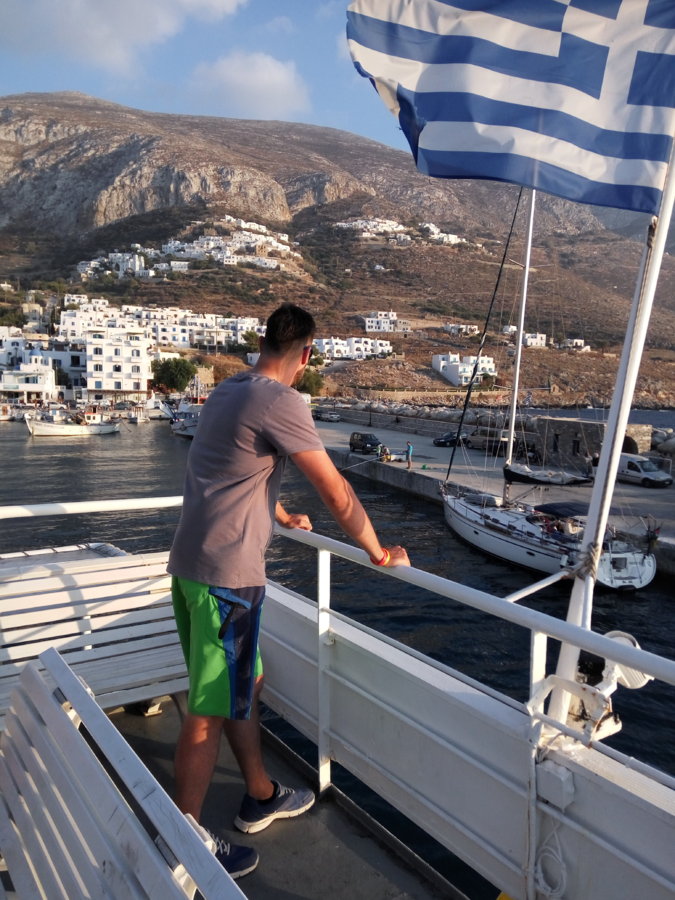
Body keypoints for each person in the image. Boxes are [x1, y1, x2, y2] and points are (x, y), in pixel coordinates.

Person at [167, 303, 410, 879]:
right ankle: (183, 842)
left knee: (245, 682)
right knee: (206, 712)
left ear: (261, 342)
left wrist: (278, 513)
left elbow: (229, 470)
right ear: (306, 354)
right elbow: (335, 490)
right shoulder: (283, 401)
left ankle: (260, 793)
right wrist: (379, 552)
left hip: (191, 567)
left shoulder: (229, 389)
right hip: (226, 580)